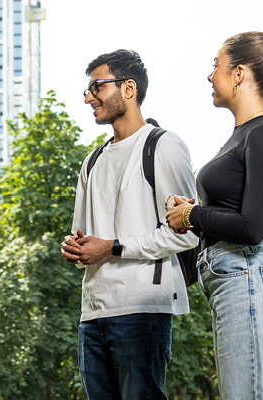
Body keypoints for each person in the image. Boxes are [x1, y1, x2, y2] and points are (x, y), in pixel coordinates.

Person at [165, 32, 263, 399]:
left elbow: (253, 228)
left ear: (239, 74)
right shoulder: (243, 136)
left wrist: (192, 215)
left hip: (247, 278)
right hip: (234, 280)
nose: (210, 75)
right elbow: (257, 219)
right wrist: (196, 211)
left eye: (216, 66)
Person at [60, 49, 199, 399]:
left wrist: (112, 247)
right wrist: (74, 248)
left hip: (142, 307)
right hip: (92, 311)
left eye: (97, 87)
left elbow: (188, 233)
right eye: (88, 90)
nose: (89, 97)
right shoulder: (91, 161)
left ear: (129, 88)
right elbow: (84, 234)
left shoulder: (163, 146)